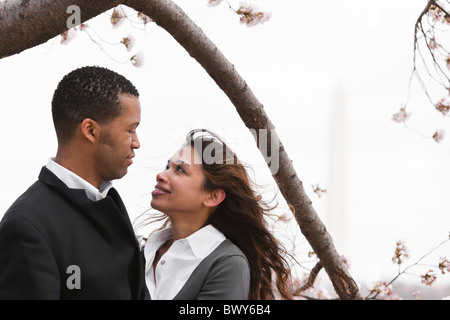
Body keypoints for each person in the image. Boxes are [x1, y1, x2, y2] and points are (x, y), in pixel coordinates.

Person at [0, 66, 148, 299]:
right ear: (90, 130)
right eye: (130, 130)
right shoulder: (27, 226)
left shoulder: (109, 203)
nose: (137, 143)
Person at [141, 129, 293, 300]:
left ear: (212, 196)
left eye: (180, 170)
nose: (161, 175)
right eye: (168, 166)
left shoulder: (227, 264)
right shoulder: (144, 251)